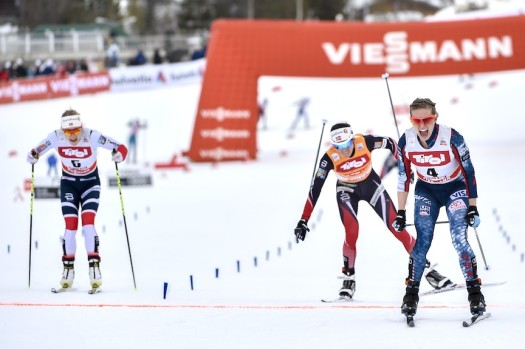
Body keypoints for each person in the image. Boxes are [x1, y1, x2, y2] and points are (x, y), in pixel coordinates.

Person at [294, 122, 454, 299]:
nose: (344, 150)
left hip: (371, 186)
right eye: (339, 146)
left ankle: (428, 271)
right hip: (346, 191)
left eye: (347, 144)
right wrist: (304, 220)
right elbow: (315, 188)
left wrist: (404, 165)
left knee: (397, 228)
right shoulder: (329, 158)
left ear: (352, 139)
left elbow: (392, 143)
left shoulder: (365, 142)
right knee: (351, 231)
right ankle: (349, 278)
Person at [393, 98, 485, 318]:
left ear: (436, 118)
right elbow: (404, 176)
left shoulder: (452, 137)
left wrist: (473, 207)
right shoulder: (406, 140)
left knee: (459, 239)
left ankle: (475, 294)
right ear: (411, 120)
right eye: (417, 120)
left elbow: (469, 172)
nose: (422, 125)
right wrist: (400, 211)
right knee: (422, 240)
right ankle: (410, 295)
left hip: (455, 188)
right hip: (427, 191)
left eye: (427, 119)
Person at [26, 109, 128, 290]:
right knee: (70, 226)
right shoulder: (55, 137)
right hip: (69, 184)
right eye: (68, 132)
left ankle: (94, 268)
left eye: (76, 130)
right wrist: (33, 155)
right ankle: (68, 270)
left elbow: (121, 147)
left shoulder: (92, 136)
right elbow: (36, 151)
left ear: (82, 127)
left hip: (90, 184)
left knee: (88, 223)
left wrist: (119, 154)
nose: (72, 135)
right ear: (62, 130)